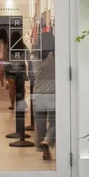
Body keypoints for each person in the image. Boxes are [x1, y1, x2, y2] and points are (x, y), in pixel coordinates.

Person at [31, 32, 57, 161]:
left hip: (37, 93)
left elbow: (31, 74)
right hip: (52, 93)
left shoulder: (34, 56)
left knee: (40, 123)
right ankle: (47, 142)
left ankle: (43, 151)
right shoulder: (54, 56)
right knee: (55, 122)